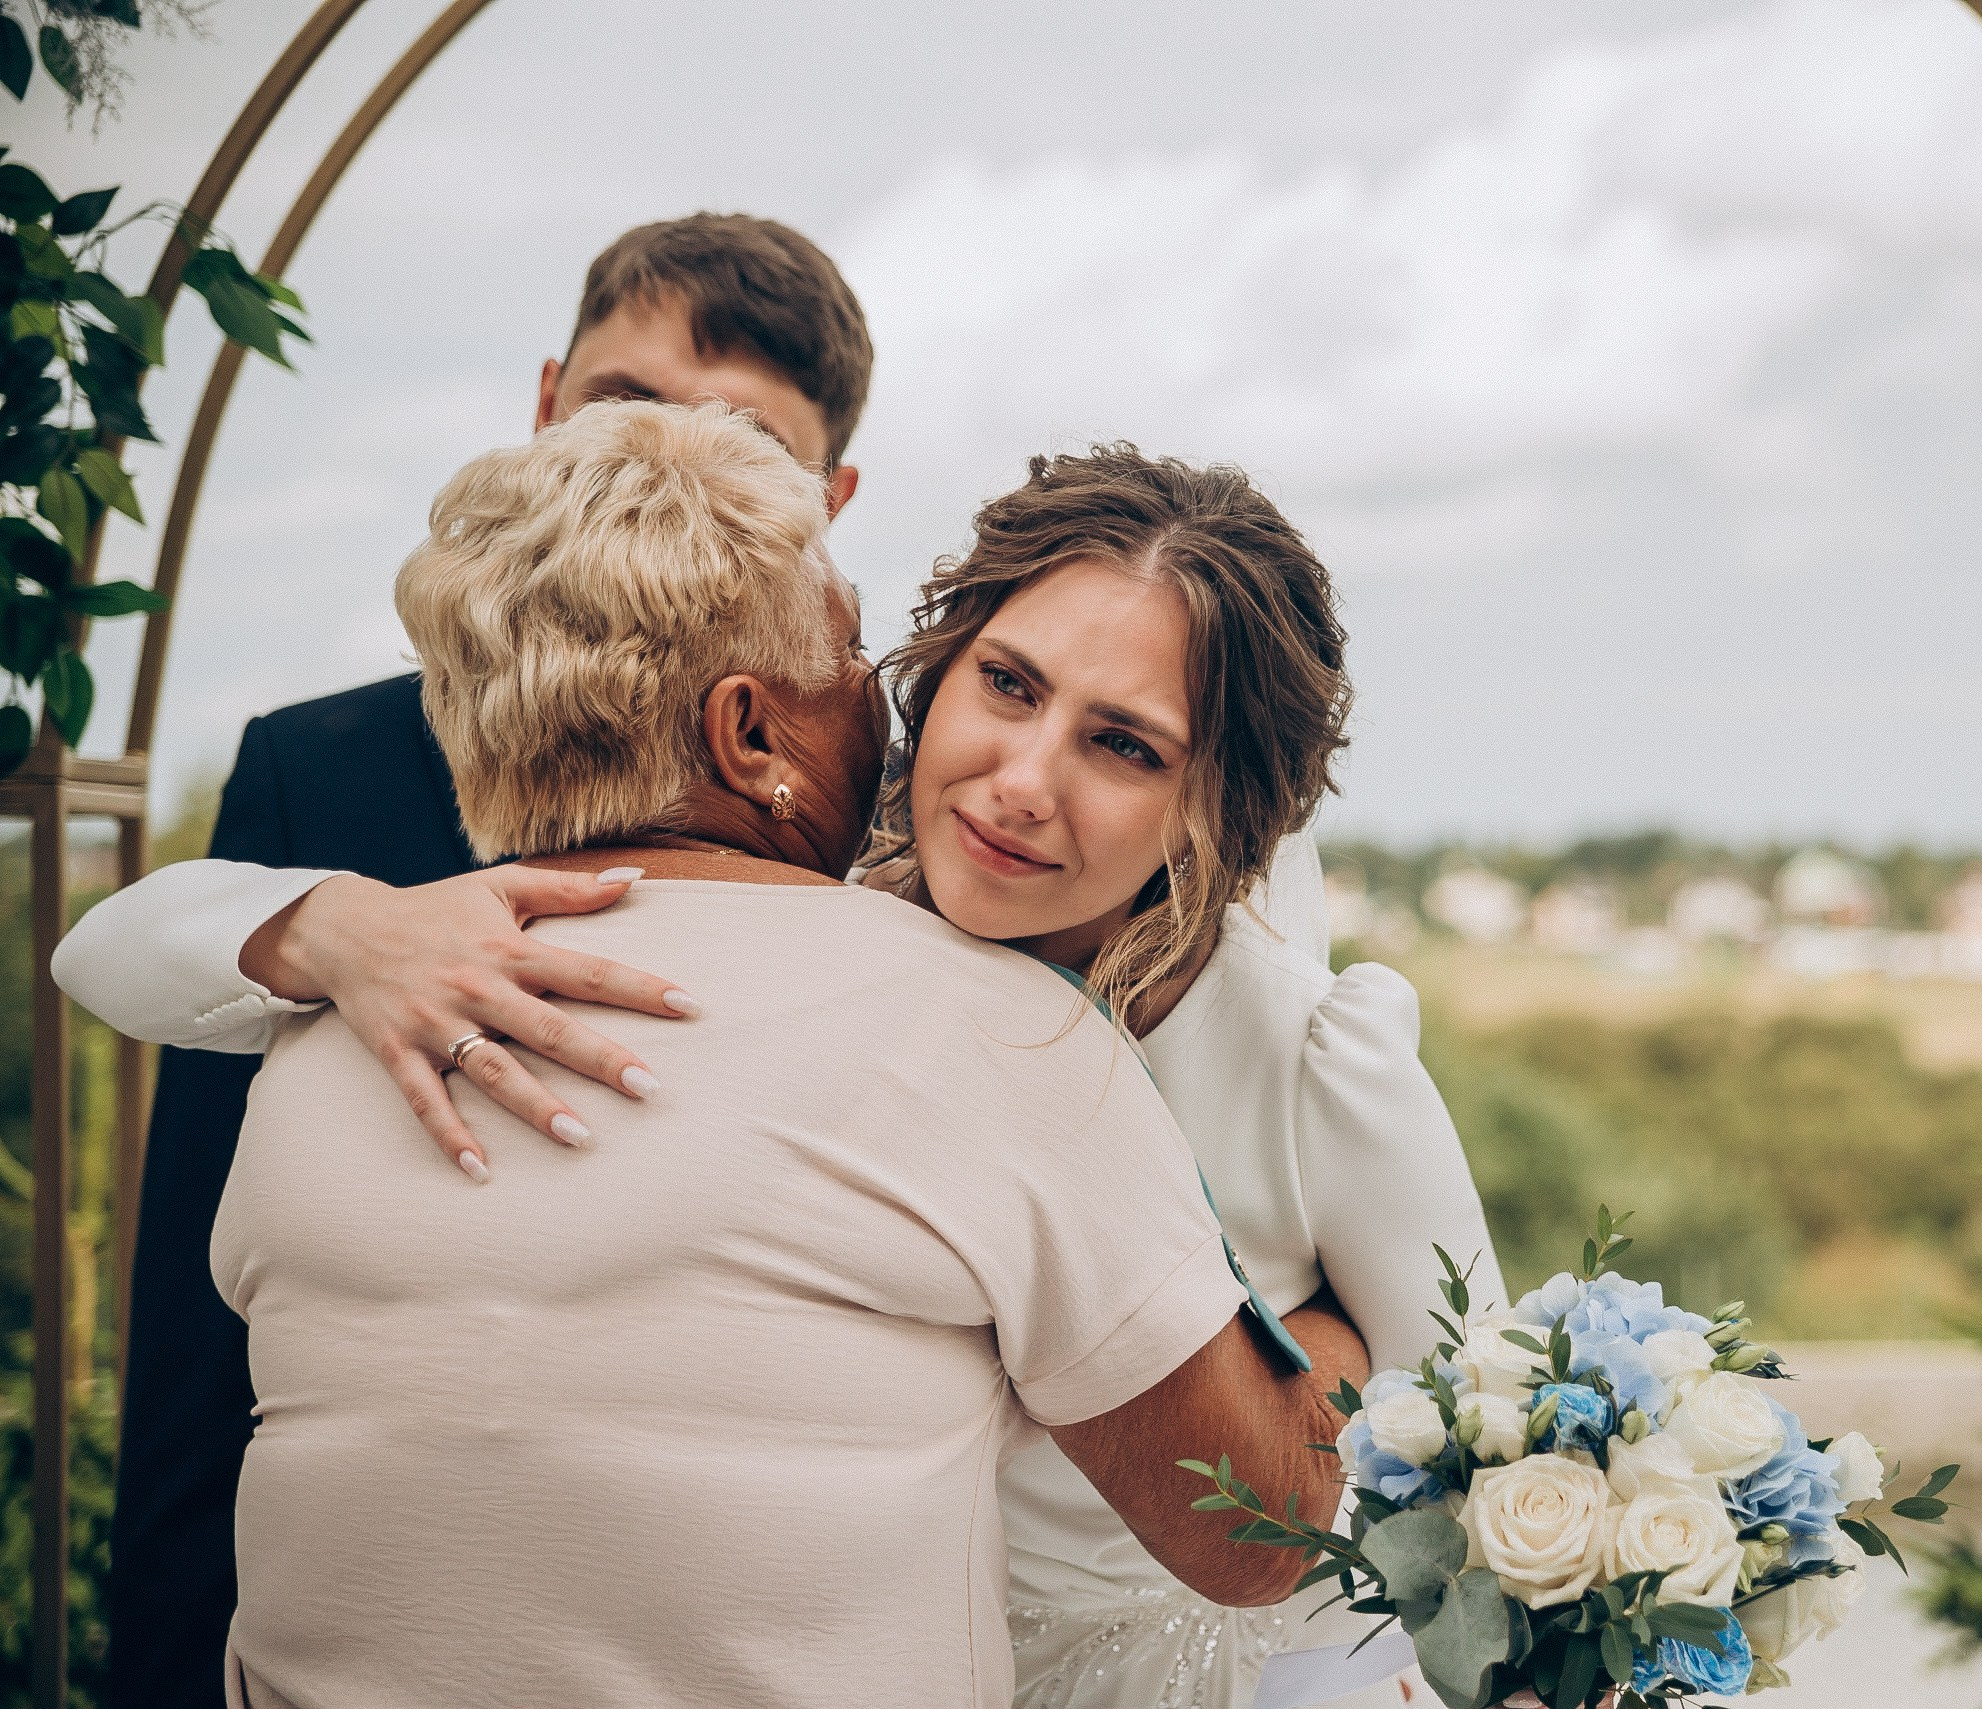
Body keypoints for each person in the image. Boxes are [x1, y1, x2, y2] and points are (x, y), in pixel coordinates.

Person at [66, 443, 1498, 1708]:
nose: (1017, 777)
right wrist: (334, 919)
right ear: (762, 728)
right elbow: (1249, 1505)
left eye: (1125, 744)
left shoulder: (318, 1042)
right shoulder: (952, 1017)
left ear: (1209, 803)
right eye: (995, 681)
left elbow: (1473, 1413)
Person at [102, 211, 877, 1709]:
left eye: (739, 438)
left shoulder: (854, 776)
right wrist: (330, 923)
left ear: (831, 496)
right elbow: (203, 1333)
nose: (658, 455)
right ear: (543, 405)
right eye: (621, 403)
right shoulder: (324, 761)